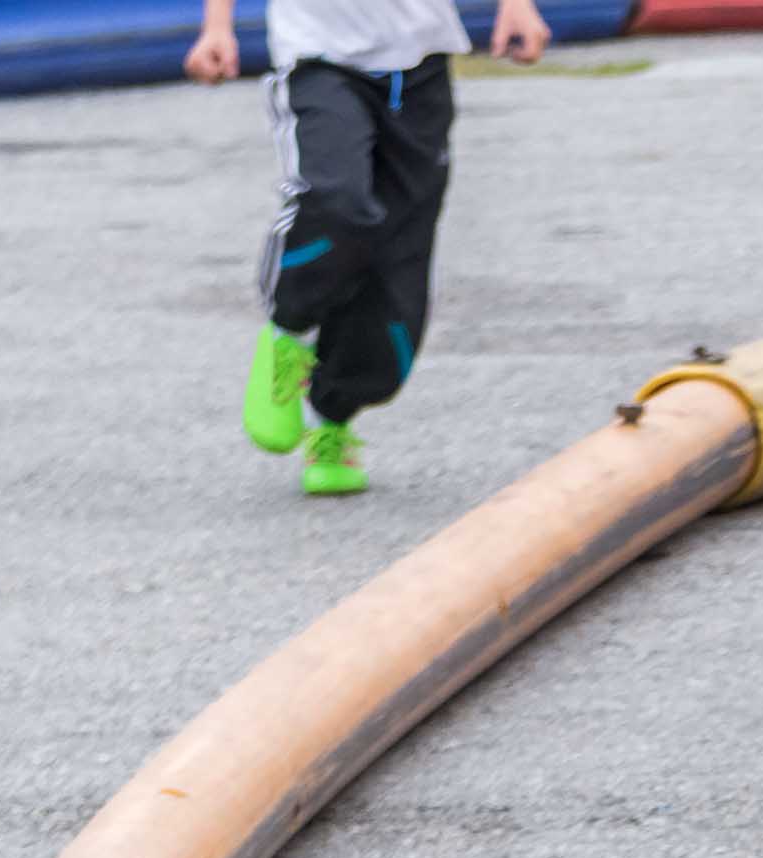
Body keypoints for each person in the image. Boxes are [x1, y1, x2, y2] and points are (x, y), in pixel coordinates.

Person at [189, 0, 552, 500]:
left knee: (397, 277)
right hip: (319, 59)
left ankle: (330, 421)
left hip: (420, 66)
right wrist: (217, 27)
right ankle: (290, 330)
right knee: (335, 203)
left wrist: (517, 6)